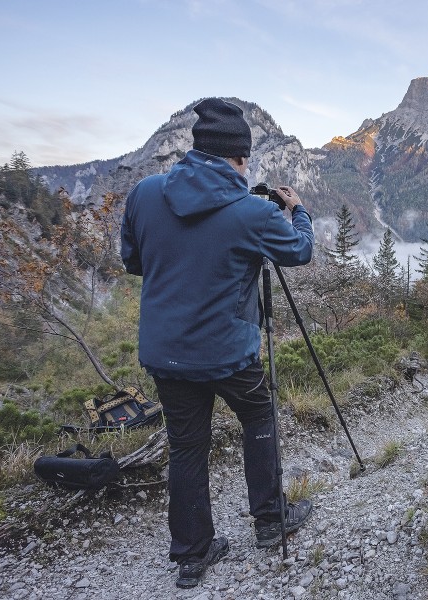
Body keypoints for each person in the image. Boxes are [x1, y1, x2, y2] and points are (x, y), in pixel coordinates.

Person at [121, 98, 315, 588]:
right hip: (227, 350)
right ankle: (271, 521)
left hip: (166, 353)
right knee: (258, 415)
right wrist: (299, 211)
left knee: (186, 446)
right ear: (241, 158)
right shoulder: (252, 212)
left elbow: (135, 261)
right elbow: (299, 252)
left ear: (197, 148)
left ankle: (192, 553)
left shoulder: (145, 194)